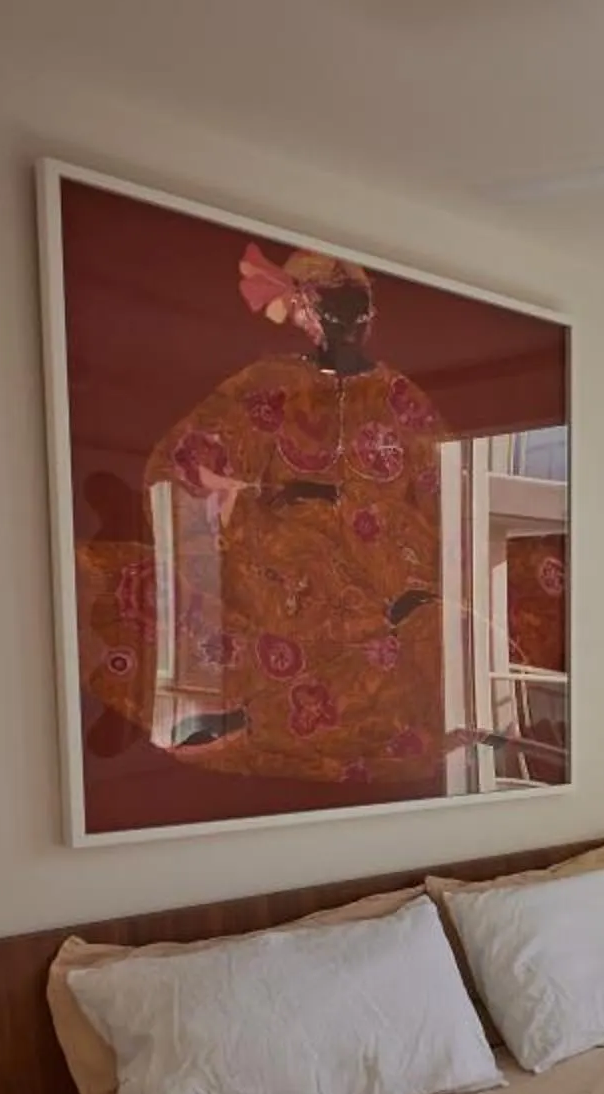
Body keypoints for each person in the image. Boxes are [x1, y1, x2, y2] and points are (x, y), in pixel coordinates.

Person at [74, 245, 456, 799]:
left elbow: (445, 493)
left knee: (387, 668)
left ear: (370, 316)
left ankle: (268, 723)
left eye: (355, 312)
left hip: (383, 578)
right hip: (279, 569)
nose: (346, 325)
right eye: (331, 311)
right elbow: (187, 461)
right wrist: (251, 494)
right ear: (306, 312)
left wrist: (397, 554)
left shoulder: (400, 397)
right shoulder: (269, 382)